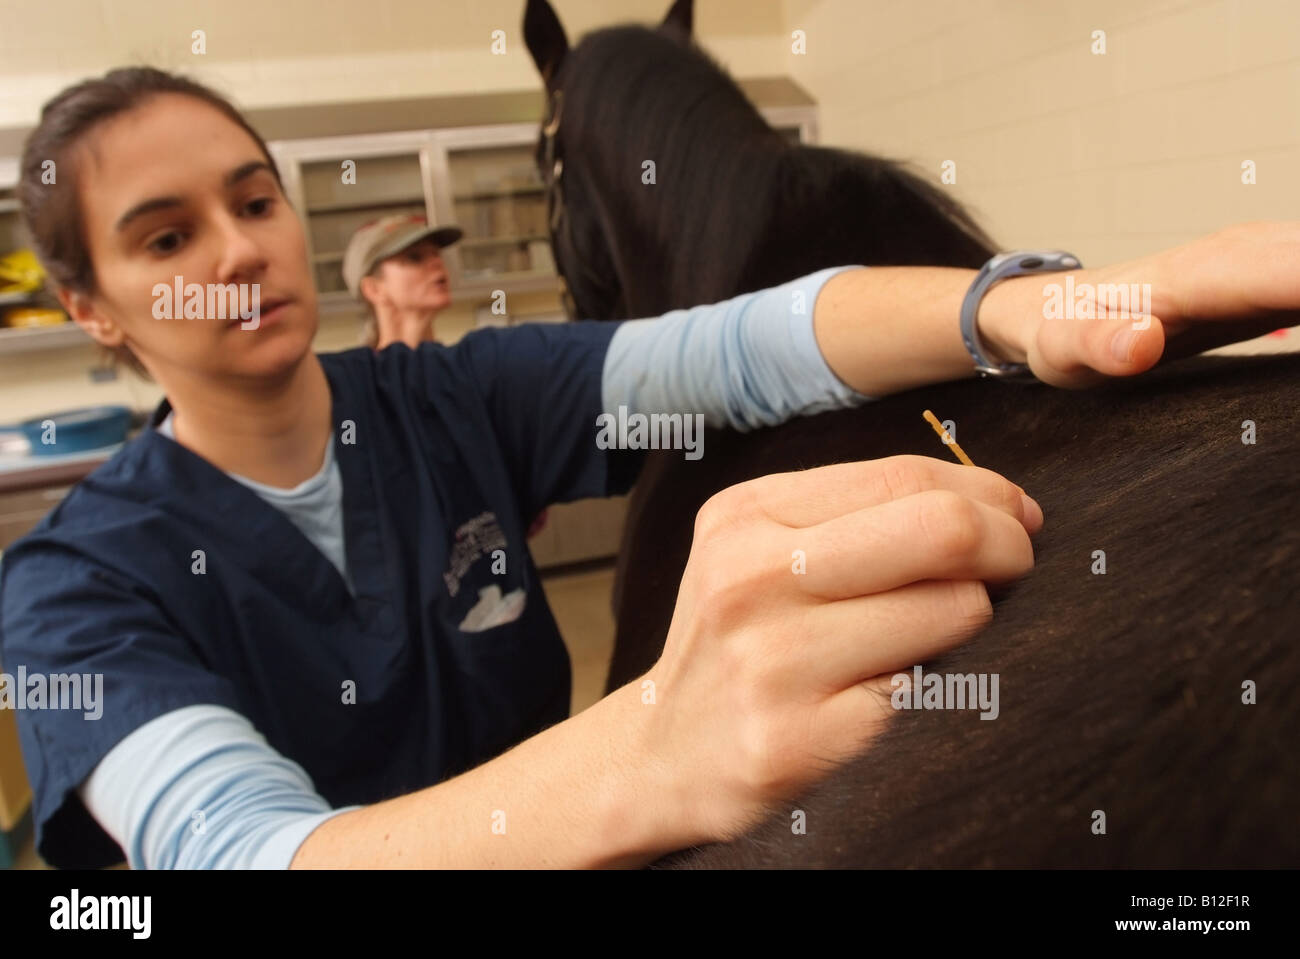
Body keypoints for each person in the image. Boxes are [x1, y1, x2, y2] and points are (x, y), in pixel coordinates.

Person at [1, 66, 1295, 870]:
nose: (237, 249)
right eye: (169, 232)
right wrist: (649, 754)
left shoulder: (453, 400)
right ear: (92, 305)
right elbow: (236, 850)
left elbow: (739, 349)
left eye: (255, 197)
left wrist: (1018, 306)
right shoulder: (72, 587)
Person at [343, 213, 460, 350]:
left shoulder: (462, 365)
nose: (437, 262)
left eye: (436, 253)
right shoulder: (362, 371)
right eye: (415, 257)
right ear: (373, 289)